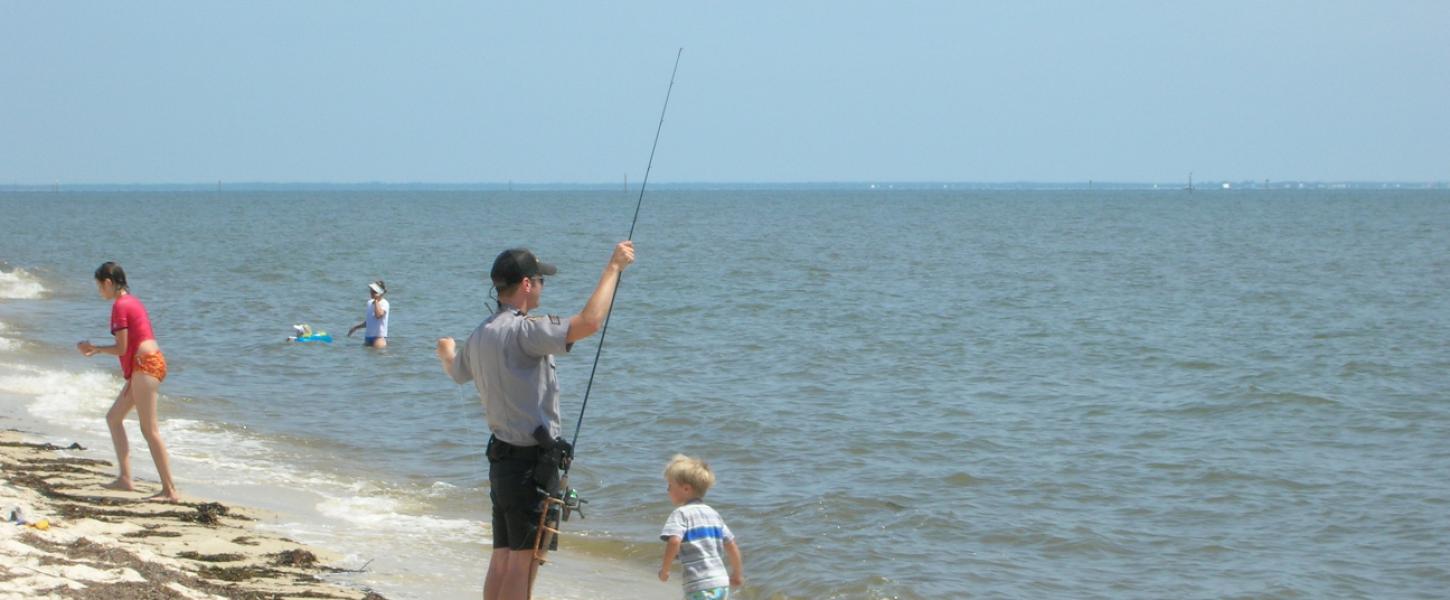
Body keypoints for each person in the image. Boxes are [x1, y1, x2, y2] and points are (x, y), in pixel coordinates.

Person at [435, 241, 634, 600]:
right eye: (541, 280)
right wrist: (613, 267)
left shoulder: (481, 334)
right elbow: (588, 323)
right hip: (530, 465)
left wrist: (447, 353)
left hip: (501, 462)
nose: (544, 286)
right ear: (527, 284)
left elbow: (456, 371)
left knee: (503, 557)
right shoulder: (524, 331)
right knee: (523, 563)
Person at [75, 262, 181, 502]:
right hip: (145, 365)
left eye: (99, 286)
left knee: (149, 429)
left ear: (108, 283)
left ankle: (169, 490)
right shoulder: (132, 301)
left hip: (145, 365)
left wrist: (95, 349)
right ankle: (125, 478)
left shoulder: (120, 306)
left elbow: (122, 348)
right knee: (113, 418)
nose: (99, 291)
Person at [658, 454, 744, 599]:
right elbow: (731, 544)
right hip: (721, 583)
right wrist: (737, 573)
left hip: (699, 585)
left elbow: (674, 541)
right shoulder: (713, 514)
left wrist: (665, 570)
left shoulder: (680, 514)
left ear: (686, 489)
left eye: (670, 486)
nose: (668, 490)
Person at [347, 280, 389, 348]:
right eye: (371, 290)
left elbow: (378, 315)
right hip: (368, 338)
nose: (371, 292)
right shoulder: (369, 303)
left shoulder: (384, 303)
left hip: (378, 338)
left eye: (373, 290)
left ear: (379, 292)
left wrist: (376, 300)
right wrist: (355, 327)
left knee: (377, 356)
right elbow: (369, 322)